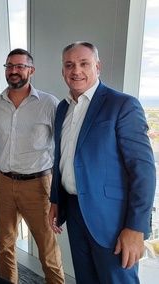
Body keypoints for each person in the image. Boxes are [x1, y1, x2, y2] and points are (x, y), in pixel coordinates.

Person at [48, 41, 156, 283]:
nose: (76, 70)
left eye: (84, 63)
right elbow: (62, 158)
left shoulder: (122, 105)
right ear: (63, 71)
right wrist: (56, 199)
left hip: (113, 221)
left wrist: (136, 228)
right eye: (69, 65)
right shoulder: (63, 108)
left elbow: (144, 171)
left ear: (97, 66)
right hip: (75, 211)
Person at [0, 48, 65, 283]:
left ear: (31, 70)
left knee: (47, 251)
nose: (14, 71)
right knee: (4, 246)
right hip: (5, 182)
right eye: (9, 66)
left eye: (20, 66)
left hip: (38, 185)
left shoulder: (48, 103)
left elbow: (61, 147)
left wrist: (57, 193)